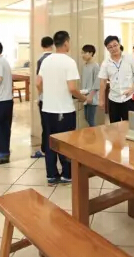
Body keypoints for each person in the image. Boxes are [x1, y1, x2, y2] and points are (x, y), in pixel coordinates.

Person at [37, 31, 86, 186]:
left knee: (50, 142)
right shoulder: (69, 62)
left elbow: (38, 83)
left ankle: (51, 176)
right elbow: (72, 88)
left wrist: (49, 94)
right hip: (64, 110)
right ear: (66, 43)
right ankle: (67, 174)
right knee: (66, 143)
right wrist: (83, 98)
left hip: (47, 109)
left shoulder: (46, 61)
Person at [98, 36, 134, 123]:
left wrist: (132, 89)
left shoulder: (130, 58)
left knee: (130, 125)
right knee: (114, 127)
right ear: (107, 49)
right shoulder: (106, 63)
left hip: (129, 98)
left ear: (119, 44)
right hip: (113, 99)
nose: (113, 48)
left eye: (115, 45)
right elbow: (103, 82)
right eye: (110, 47)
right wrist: (101, 100)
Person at [33, 36, 54, 159]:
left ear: (42, 45)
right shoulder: (56, 59)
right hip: (56, 97)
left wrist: (40, 96)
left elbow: (38, 82)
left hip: (45, 98)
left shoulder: (41, 60)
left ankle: (45, 150)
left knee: (45, 125)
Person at [81, 44, 100, 127]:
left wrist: (91, 96)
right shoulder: (85, 65)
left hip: (92, 96)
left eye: (84, 53)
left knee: (90, 119)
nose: (82, 55)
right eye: (82, 53)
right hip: (85, 95)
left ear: (91, 53)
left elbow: (97, 83)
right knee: (86, 117)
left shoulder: (95, 66)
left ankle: (95, 134)